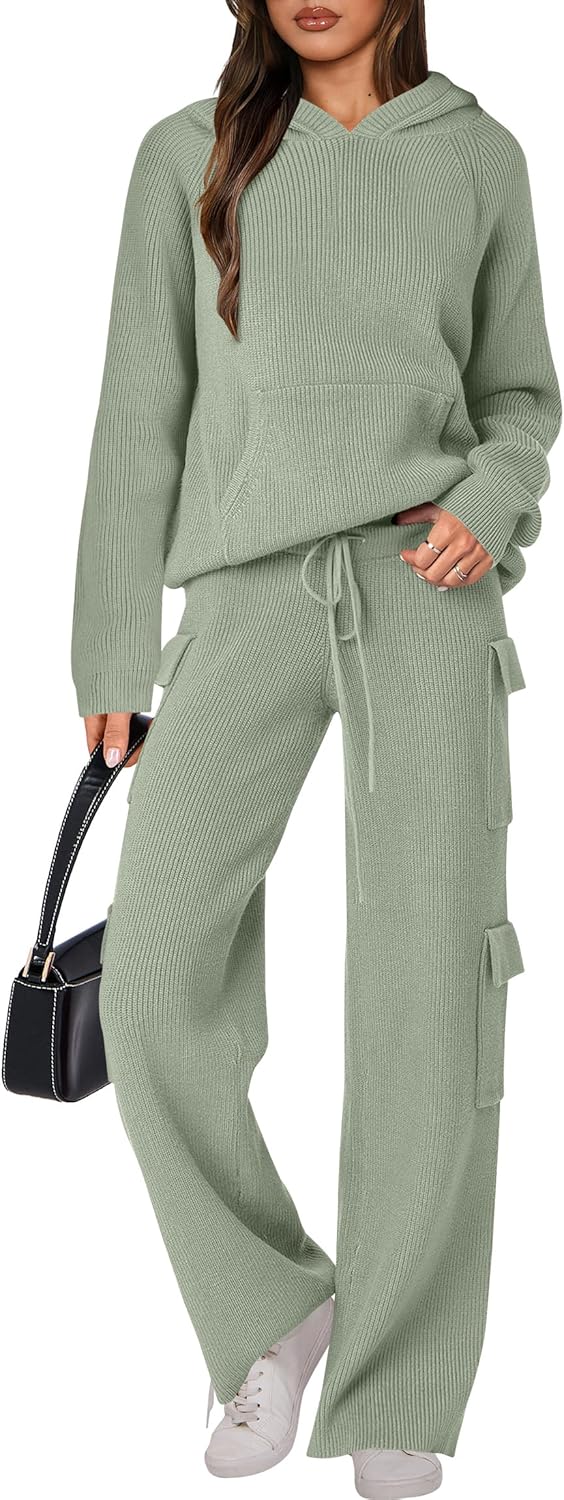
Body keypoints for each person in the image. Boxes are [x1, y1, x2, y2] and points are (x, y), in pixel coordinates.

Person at [70, 2, 561, 1495]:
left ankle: (401, 1385)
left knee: (428, 992)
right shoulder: (189, 153)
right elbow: (139, 404)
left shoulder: (476, 154)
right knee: (149, 981)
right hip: (242, 597)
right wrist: (109, 643)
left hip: (427, 586)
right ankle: (271, 1313)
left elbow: (521, 393)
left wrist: (493, 493)